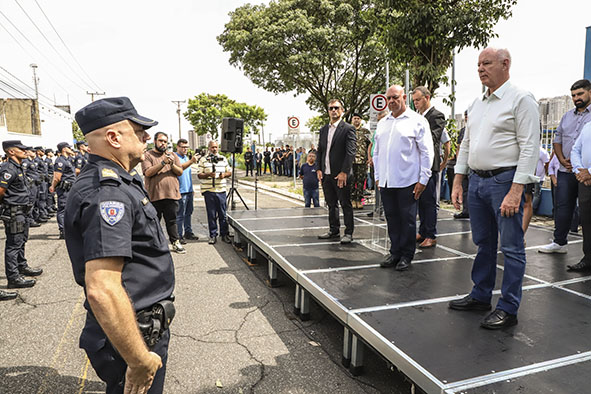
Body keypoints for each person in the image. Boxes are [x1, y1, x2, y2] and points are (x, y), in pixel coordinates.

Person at [65, 96, 174, 394]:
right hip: (132, 332)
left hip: (138, 325)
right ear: (113, 137)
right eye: (138, 131)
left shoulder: (122, 182)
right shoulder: (107, 194)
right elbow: (102, 288)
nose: (147, 137)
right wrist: (138, 361)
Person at [449, 47, 540, 329]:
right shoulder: (477, 105)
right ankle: (480, 295)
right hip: (477, 181)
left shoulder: (521, 99)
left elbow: (529, 147)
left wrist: (516, 190)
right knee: (483, 243)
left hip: (505, 181)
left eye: (486, 63)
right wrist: (458, 180)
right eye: (478, 64)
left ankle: (508, 308)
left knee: (511, 247)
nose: (480, 69)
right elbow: (466, 144)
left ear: (505, 64)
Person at [375, 85, 434, 271]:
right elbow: (376, 153)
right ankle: (395, 252)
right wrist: (377, 176)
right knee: (392, 218)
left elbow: (427, 152)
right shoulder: (383, 123)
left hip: (408, 181)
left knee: (407, 219)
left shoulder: (417, 121)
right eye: (389, 98)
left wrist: (423, 179)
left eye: (395, 97)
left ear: (404, 97)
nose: (391, 101)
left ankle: (406, 255)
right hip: (386, 181)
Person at [539, 79, 591, 254]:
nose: (576, 98)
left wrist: (582, 168)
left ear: (589, 92)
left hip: (586, 173)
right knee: (562, 207)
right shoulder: (567, 116)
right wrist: (561, 159)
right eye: (573, 95)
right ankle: (559, 243)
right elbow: (557, 139)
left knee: (587, 212)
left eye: (580, 94)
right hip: (565, 171)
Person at [0, 140, 44, 295]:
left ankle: (21, 266)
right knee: (13, 245)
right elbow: (1, 191)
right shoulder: (8, 168)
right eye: (21, 149)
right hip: (14, 212)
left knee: (21, 240)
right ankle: (13, 278)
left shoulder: (18, 167)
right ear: (11, 151)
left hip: (23, 212)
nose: (25, 151)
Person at [316, 99, 357, 244]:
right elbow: (320, 150)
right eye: (331, 108)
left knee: (345, 203)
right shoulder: (323, 130)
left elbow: (350, 152)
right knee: (331, 203)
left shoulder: (348, 128)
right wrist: (319, 169)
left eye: (336, 108)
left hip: (341, 175)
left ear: (342, 110)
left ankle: (348, 232)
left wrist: (344, 172)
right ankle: (333, 230)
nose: (333, 110)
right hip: (326, 174)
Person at [142, 132, 186, 254]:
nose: (163, 144)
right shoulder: (148, 155)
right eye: (161, 141)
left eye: (165, 142)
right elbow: (148, 172)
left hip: (171, 195)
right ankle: (155, 245)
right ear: (155, 141)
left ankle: (175, 242)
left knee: (172, 220)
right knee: (154, 222)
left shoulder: (172, 155)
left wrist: (171, 164)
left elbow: (180, 172)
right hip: (155, 195)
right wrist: (162, 163)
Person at [412, 86, 445, 249]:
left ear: (427, 97)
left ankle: (431, 235)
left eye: (418, 100)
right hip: (417, 165)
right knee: (420, 201)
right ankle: (423, 231)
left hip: (430, 166)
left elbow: (433, 139)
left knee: (430, 202)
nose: (416, 103)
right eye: (414, 101)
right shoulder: (416, 117)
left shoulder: (436, 116)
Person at [197, 140, 232, 245]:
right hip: (209, 191)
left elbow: (229, 171)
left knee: (223, 214)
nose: (214, 149)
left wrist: (224, 175)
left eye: (216, 147)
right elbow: (199, 175)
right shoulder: (203, 160)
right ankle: (213, 235)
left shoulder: (223, 159)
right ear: (209, 148)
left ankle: (224, 234)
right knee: (211, 214)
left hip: (221, 190)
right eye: (212, 147)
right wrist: (208, 175)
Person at [568, 121, 591, 270]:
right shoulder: (588, 126)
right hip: (585, 182)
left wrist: (589, 172)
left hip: (587, 176)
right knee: (587, 221)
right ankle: (588, 259)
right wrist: (579, 171)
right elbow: (575, 150)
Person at [50, 142, 76, 239]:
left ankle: (68, 229)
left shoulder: (68, 160)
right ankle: (63, 230)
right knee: (63, 209)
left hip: (70, 188)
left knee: (69, 209)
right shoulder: (60, 161)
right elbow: (57, 177)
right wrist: (52, 186)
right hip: (64, 189)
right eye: (69, 148)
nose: (71, 149)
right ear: (64, 149)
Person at [175, 139, 199, 244]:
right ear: (178, 147)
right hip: (180, 191)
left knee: (189, 213)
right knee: (180, 214)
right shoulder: (175, 158)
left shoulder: (186, 158)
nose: (185, 149)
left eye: (187, 147)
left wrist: (192, 188)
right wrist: (191, 161)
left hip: (188, 190)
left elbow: (187, 175)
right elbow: (180, 169)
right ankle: (179, 235)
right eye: (183, 147)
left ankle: (188, 232)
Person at [523, 146, 550, 235]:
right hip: (527, 176)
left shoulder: (542, 151)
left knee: (535, 195)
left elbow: (547, 162)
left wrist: (545, 173)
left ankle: (533, 211)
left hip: (538, 177)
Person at [450, 111, 470, 219]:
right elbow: (459, 148)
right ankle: (466, 210)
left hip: (473, 164)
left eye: (468, 116)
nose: (467, 118)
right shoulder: (463, 131)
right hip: (463, 164)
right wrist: (459, 162)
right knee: (465, 188)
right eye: (465, 116)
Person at [350, 113, 371, 209]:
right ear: (352, 120)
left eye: (358, 118)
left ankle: (359, 200)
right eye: (355, 118)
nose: (356, 120)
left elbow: (370, 144)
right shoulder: (348, 131)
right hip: (350, 161)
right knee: (351, 181)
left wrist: (369, 157)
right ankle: (352, 199)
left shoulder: (365, 131)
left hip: (362, 160)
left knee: (361, 181)